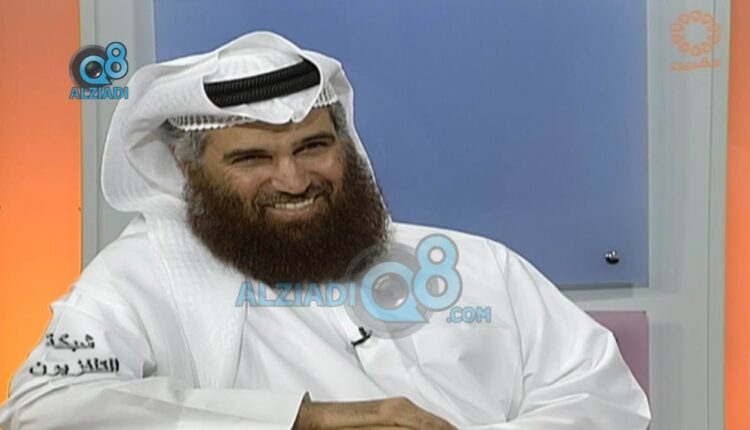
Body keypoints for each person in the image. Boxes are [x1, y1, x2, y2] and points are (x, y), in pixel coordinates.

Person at [0, 31, 650, 429]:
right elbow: (43, 409)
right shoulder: (142, 277)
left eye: (313, 146)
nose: (293, 179)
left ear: (347, 146)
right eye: (252, 158)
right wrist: (303, 420)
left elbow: (602, 397)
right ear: (188, 169)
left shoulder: (476, 265)